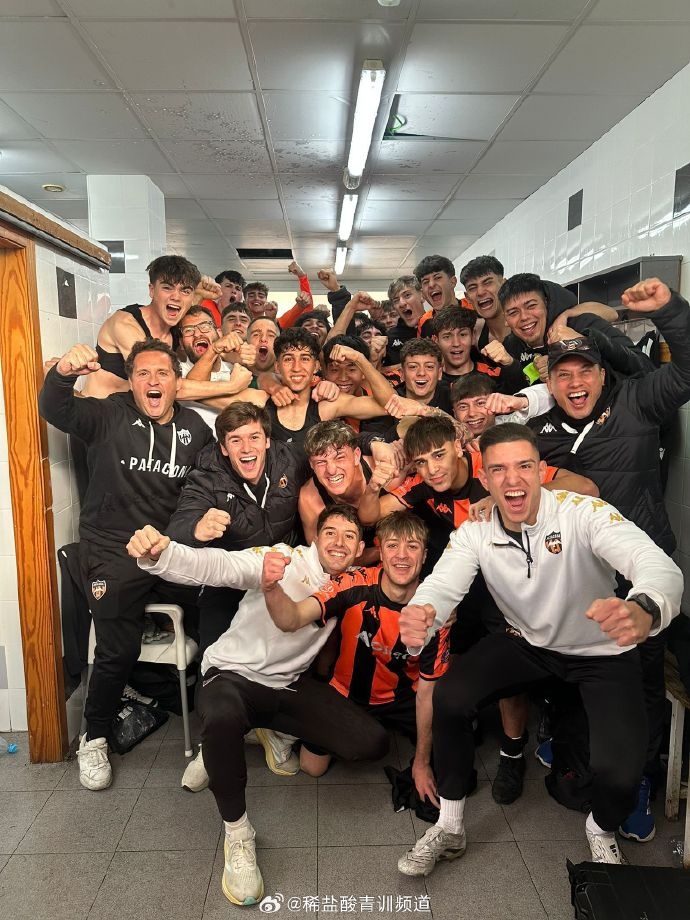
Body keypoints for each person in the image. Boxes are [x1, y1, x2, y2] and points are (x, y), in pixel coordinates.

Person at [396, 423, 682, 875]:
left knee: (621, 773)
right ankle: (450, 826)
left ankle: (601, 830)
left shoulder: (581, 512)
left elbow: (655, 563)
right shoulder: (475, 529)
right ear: (483, 477)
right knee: (450, 696)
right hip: (528, 642)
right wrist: (423, 612)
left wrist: (645, 606)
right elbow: (443, 583)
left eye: (524, 466)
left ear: (541, 470)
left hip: (601, 651)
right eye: (499, 470)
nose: (513, 480)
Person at [126, 505, 391, 906]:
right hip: (233, 676)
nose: (338, 542)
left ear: (358, 550)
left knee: (369, 742)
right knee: (222, 717)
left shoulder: (352, 581)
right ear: (315, 538)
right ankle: (238, 833)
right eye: (330, 533)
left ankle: (257, 732)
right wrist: (160, 555)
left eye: (349, 536)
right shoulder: (282, 558)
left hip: (286, 686)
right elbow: (219, 566)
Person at [529, 277, 690, 839]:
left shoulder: (637, 403)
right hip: (576, 578)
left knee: (641, 683)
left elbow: (686, 371)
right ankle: (573, 751)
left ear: (603, 374)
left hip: (639, 574)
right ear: (549, 383)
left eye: (585, 372)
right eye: (563, 375)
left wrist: (670, 312)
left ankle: (639, 782)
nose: (575, 383)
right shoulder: (539, 433)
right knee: (574, 671)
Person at [39, 339, 214, 790]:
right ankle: (94, 736)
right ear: (131, 382)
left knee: (219, 614)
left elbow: (207, 486)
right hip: (112, 549)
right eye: (143, 374)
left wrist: (191, 531)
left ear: (177, 382)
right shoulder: (108, 415)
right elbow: (55, 409)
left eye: (163, 373)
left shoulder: (195, 429)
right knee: (116, 647)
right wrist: (63, 374)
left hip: (168, 548)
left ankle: (220, 728)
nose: (153, 381)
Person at [261, 511, 449, 805]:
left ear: (424, 556)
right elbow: (292, 619)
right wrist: (270, 587)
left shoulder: (435, 609)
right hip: (347, 692)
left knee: (453, 741)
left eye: (412, 546)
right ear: (380, 553)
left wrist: (421, 763)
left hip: (404, 696)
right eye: (392, 546)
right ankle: (280, 729)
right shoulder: (354, 583)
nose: (402, 555)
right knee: (312, 767)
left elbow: (427, 692)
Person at [165, 401, 308, 654]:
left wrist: (371, 442)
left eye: (254, 437)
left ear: (267, 440)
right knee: (214, 655)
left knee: (292, 651)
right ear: (223, 447)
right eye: (235, 440)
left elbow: (329, 451)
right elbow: (176, 529)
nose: (246, 448)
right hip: (230, 582)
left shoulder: (289, 459)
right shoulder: (208, 476)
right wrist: (196, 529)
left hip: (285, 573)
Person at [499, 272, 654, 383]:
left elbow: (644, 368)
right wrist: (511, 366)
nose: (524, 317)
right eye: (513, 313)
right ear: (505, 320)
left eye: (531, 306)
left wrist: (578, 346)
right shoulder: (511, 346)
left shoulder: (580, 325)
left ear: (546, 304)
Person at [298, 420, 381, 565]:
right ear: (311, 465)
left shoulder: (382, 470)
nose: (331, 470)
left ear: (356, 456)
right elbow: (323, 559)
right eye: (321, 462)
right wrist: (380, 553)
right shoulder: (309, 499)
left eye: (339, 457)